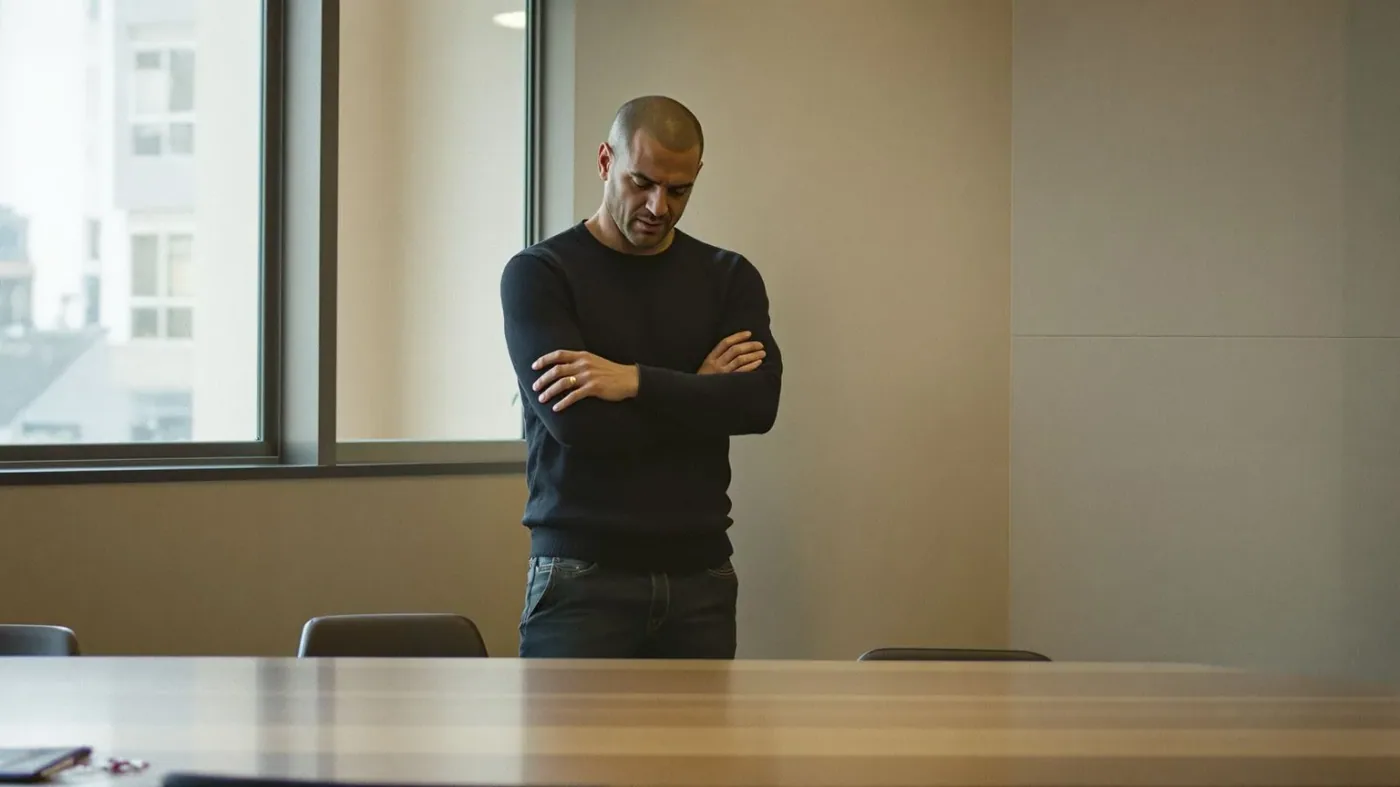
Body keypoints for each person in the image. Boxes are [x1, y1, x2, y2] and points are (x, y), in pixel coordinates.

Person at [500, 95, 783, 659]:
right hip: (581, 574)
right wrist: (700, 387)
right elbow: (580, 428)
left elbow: (756, 406)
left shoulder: (729, 278)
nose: (659, 205)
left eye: (679, 191)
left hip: (700, 574)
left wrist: (634, 381)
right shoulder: (540, 275)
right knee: (568, 752)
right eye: (642, 182)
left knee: (700, 753)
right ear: (606, 161)